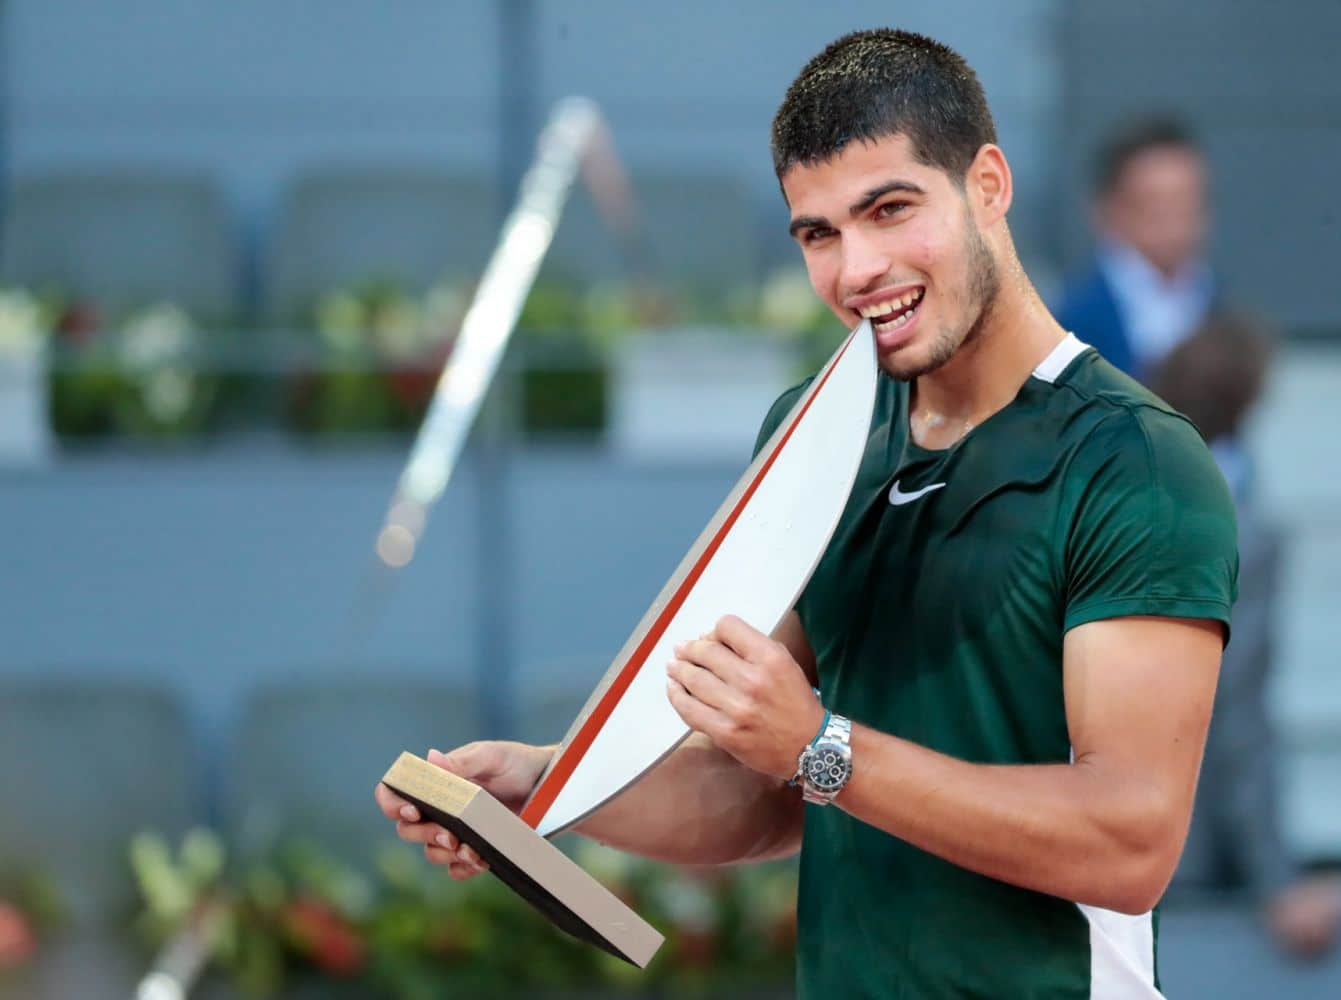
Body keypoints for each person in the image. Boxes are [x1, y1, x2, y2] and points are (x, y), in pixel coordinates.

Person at [377, 29, 1238, 997]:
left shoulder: (1136, 457)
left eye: (889, 209)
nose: (856, 268)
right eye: (819, 233)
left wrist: (821, 747)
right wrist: (551, 785)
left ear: (988, 184)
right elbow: (765, 793)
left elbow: (1129, 842)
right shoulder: (812, 430)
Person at [1149, 315, 1341, 958]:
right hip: (1188, 854)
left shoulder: (1101, 507)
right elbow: (1231, 711)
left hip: (1081, 839)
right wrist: (1278, 883)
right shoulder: (1240, 536)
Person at [1054, 117, 1217, 382]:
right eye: (1157, 206)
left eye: (1187, 204)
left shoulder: (1216, 308)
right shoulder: (1071, 322)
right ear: (1108, 209)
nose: (1175, 223)